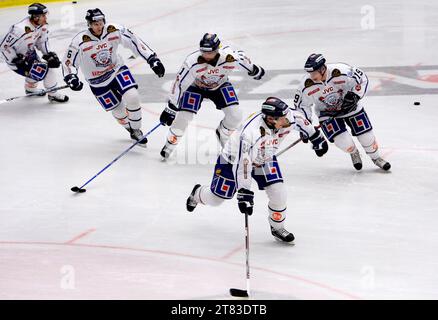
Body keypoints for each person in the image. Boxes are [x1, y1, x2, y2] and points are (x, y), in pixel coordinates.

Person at [185, 97, 328, 242]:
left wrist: (317, 139)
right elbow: (242, 166)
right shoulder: (250, 134)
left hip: (264, 158)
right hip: (232, 161)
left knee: (279, 193)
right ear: (271, 119)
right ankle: (197, 193)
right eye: (283, 119)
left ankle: (277, 227)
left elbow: (303, 123)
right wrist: (244, 192)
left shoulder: (289, 117)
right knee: (216, 199)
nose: (287, 121)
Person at [61, 8, 165, 146]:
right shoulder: (79, 41)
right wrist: (71, 77)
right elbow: (68, 62)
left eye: (101, 22)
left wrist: (152, 59)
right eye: (95, 24)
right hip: (96, 81)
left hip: (116, 70)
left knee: (132, 96)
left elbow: (135, 42)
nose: (99, 26)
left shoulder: (113, 30)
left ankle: (136, 130)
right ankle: (129, 128)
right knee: (119, 111)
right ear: (89, 25)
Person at [159, 33, 265, 158]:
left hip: (220, 85)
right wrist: (171, 107)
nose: (206, 55)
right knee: (183, 117)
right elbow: (179, 83)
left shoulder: (229, 56)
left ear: (217, 50)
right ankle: (170, 143)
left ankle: (223, 133)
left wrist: (254, 69)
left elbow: (242, 59)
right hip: (195, 87)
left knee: (235, 115)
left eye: (210, 52)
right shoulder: (192, 61)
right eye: (203, 52)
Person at [294, 53, 391, 171]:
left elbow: (362, 78)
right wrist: (305, 126)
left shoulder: (341, 70)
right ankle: (354, 152)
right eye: (310, 73)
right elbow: (302, 106)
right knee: (344, 142)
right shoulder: (305, 85)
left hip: (350, 109)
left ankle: (376, 158)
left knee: (367, 138)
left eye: (314, 72)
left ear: (323, 69)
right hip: (327, 114)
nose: (311, 76)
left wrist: (355, 96)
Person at [0, 3, 68, 102]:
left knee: (36, 72)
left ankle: (30, 90)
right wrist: (15, 60)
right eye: (43, 16)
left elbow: (42, 41)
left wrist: (48, 54)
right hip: (18, 62)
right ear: (36, 18)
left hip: (31, 55)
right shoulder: (19, 29)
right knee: (48, 71)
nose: (46, 18)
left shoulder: (42, 26)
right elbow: (4, 47)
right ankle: (53, 94)